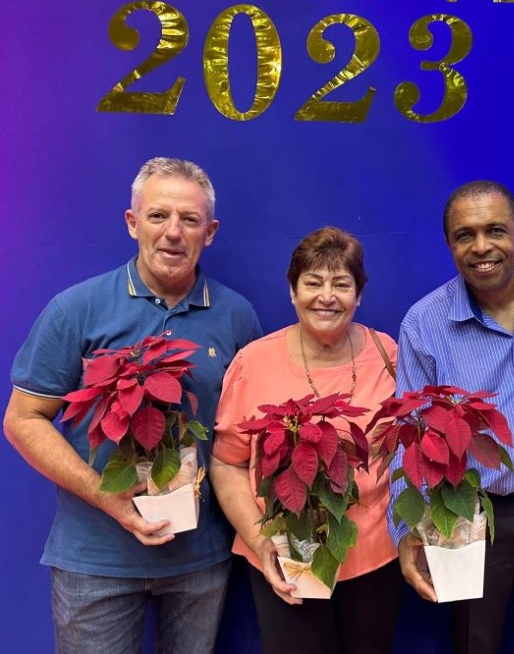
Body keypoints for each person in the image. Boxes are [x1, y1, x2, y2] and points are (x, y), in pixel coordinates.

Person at [2, 157, 263, 653]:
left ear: (210, 232)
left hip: (199, 561)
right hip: (95, 561)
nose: (173, 233)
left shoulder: (236, 317)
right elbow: (22, 420)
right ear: (132, 222)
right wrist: (109, 498)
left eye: (190, 220)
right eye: (158, 215)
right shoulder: (77, 309)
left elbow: (244, 436)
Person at [390, 181, 514, 654]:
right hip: (468, 513)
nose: (481, 247)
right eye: (465, 235)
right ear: (449, 244)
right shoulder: (424, 323)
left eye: (495, 230)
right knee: (473, 642)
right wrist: (405, 529)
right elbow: (410, 437)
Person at [211, 226, 403, 654]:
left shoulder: (388, 353)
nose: (326, 297)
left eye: (341, 284)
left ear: (359, 294)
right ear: (292, 291)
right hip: (287, 553)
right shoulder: (253, 363)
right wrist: (262, 544)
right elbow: (227, 463)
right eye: (313, 283)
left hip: (374, 556)